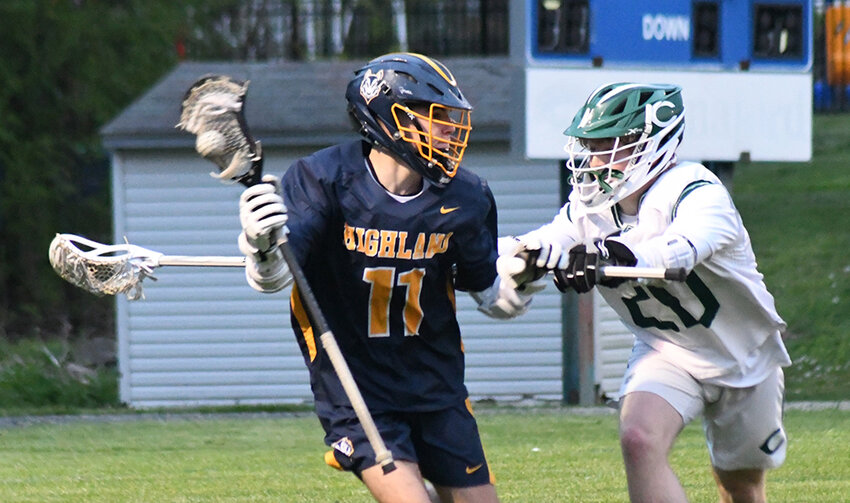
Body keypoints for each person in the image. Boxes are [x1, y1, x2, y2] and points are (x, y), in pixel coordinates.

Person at [236, 52, 542, 503]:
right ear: (386, 119)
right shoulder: (322, 180)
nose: (450, 132)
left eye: (453, 120)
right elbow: (278, 277)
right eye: (437, 118)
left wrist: (519, 283)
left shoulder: (466, 196)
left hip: (437, 385)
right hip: (359, 390)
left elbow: (487, 290)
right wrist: (260, 247)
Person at [497, 82, 791, 503]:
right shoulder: (590, 208)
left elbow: (677, 251)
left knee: (740, 486)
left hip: (742, 352)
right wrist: (524, 257)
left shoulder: (697, 190)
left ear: (651, 143)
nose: (592, 160)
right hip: (667, 349)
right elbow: (550, 238)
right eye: (589, 145)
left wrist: (605, 255)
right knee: (638, 440)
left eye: (607, 146)